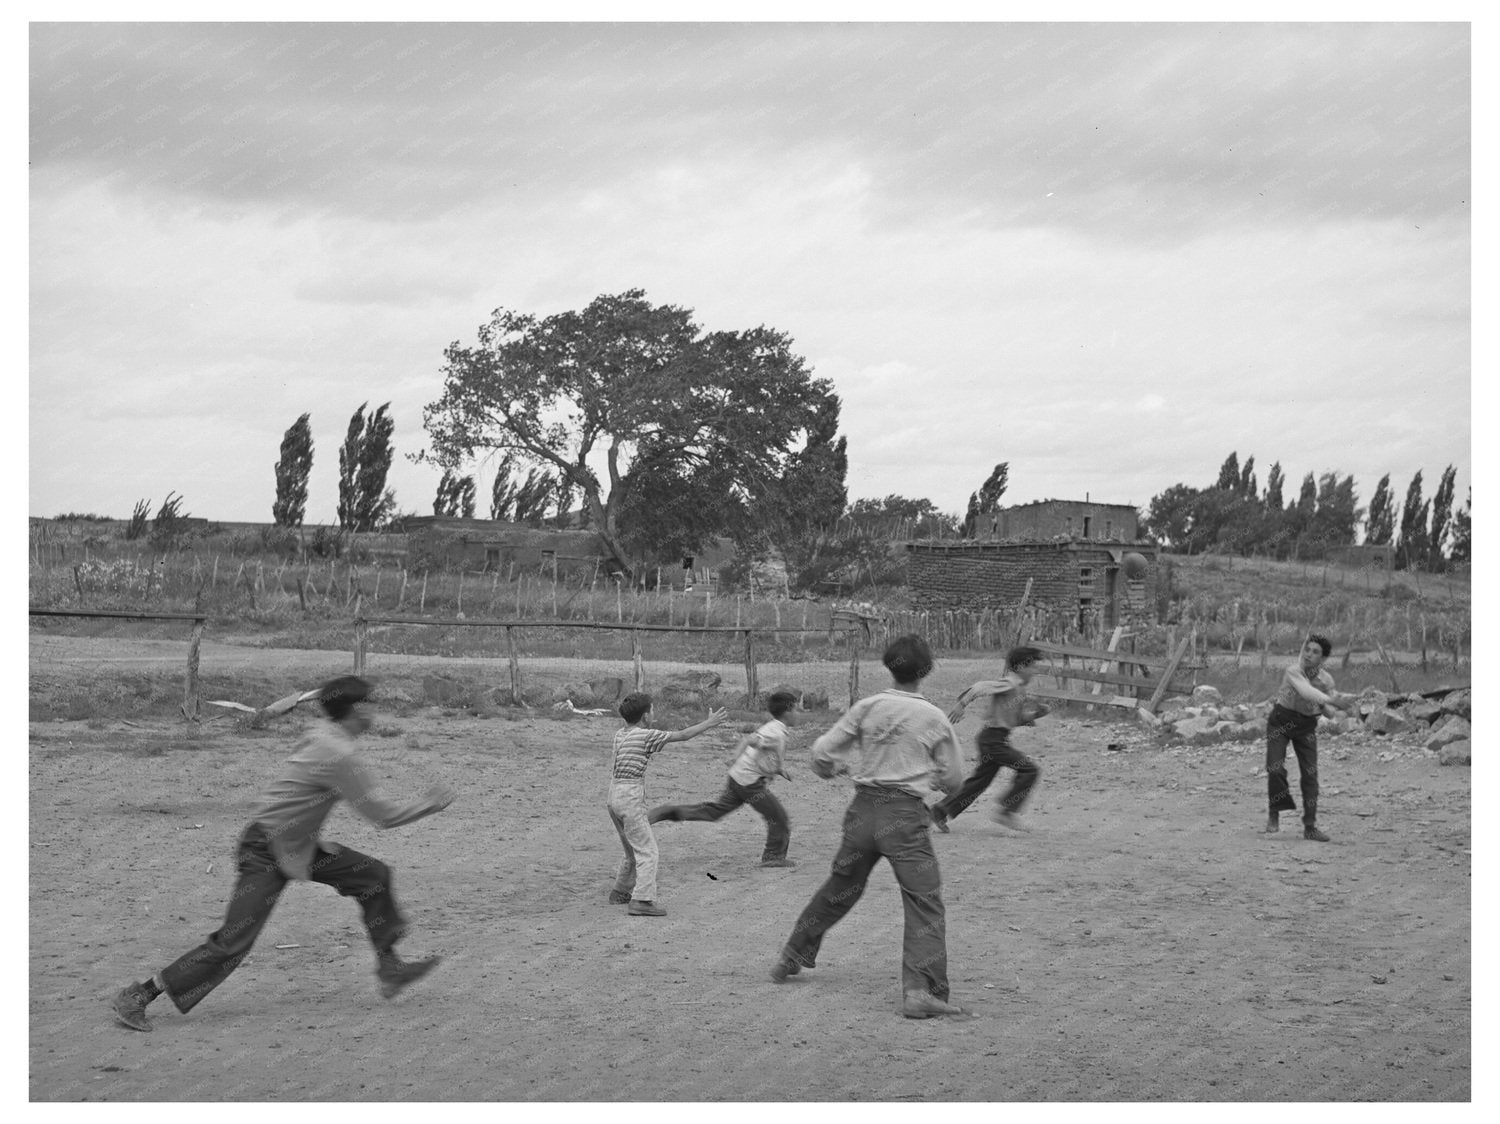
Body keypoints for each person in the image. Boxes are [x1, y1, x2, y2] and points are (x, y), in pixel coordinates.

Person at [110, 676, 456, 1032]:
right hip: (265, 850)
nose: (374, 709)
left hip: (297, 846)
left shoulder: (327, 734)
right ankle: (138, 995)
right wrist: (428, 805)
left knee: (372, 874)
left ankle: (390, 967)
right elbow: (382, 816)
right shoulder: (339, 753)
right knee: (233, 942)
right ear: (353, 710)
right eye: (368, 702)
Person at [769, 635, 968, 1019]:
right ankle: (920, 989)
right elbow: (955, 778)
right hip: (905, 815)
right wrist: (939, 784)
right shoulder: (933, 717)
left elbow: (822, 754)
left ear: (889, 667)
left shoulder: (868, 706)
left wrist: (830, 771)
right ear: (926, 670)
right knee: (924, 901)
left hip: (863, 811)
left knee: (841, 887)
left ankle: (792, 954)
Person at [606, 692, 729, 916]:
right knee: (648, 852)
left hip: (613, 796)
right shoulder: (646, 735)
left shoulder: (619, 734)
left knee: (631, 851)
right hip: (630, 798)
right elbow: (683, 735)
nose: (654, 714)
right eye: (652, 710)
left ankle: (620, 892)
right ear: (645, 716)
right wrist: (709, 723)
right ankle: (642, 901)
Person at [649, 689, 798, 868]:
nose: (799, 714)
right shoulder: (776, 731)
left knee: (715, 811)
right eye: (797, 709)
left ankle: (670, 811)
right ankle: (773, 857)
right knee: (778, 817)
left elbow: (763, 753)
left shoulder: (775, 727)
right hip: (749, 783)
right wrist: (734, 756)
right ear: (787, 711)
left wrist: (778, 770)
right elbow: (749, 740)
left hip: (738, 777)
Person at [931, 645, 1049, 833]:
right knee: (1030, 770)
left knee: (978, 783)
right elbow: (979, 687)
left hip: (993, 738)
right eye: (1032, 667)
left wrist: (1035, 715)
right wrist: (961, 704)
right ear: (1019, 667)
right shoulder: (1009, 683)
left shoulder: (1018, 690)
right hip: (993, 740)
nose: (1034, 672)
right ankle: (1006, 811)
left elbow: (1013, 720)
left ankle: (940, 811)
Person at [1264, 634, 1359, 842]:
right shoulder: (1293, 671)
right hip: (1281, 721)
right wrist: (1330, 700)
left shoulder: (1326, 680)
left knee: (1310, 776)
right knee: (1275, 768)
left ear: (1323, 659)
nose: (1308, 655)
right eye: (1307, 649)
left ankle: (1310, 827)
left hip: (1306, 727)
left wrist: (1336, 708)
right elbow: (1306, 692)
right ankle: (1275, 811)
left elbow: (1329, 712)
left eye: (1315, 652)